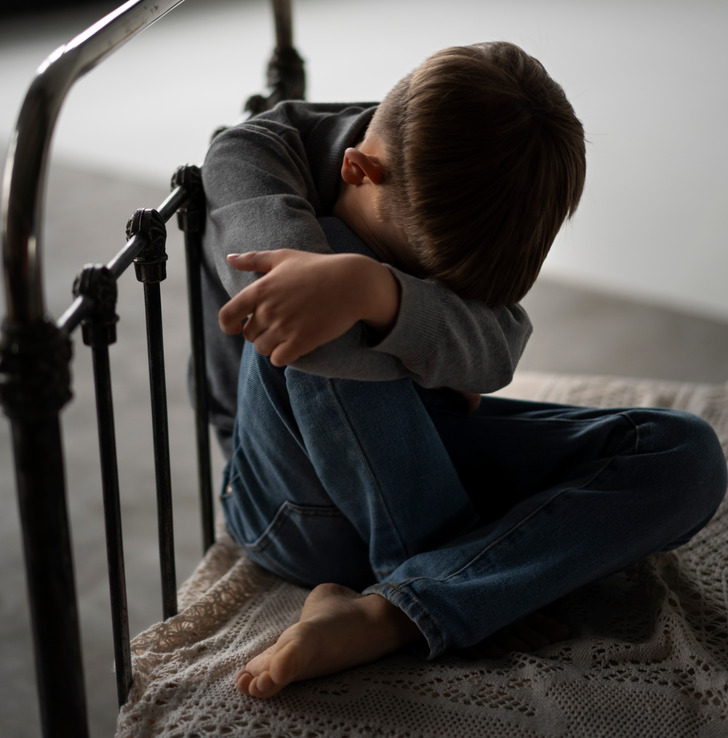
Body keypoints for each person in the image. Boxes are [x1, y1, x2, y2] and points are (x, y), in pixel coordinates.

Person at [199, 42, 727, 699]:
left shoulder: (471, 176)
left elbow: (497, 354)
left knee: (685, 453)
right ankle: (448, 582)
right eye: (407, 265)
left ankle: (399, 606)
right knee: (326, 268)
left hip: (426, 443)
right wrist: (398, 312)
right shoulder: (251, 160)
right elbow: (300, 328)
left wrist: (383, 293)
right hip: (294, 499)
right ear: (358, 168)